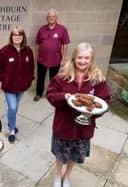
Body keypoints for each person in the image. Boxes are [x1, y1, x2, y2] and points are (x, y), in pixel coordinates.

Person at [46, 42, 110, 187]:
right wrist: (64, 96)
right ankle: (58, 175)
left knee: (75, 154)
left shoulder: (98, 78)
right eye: (80, 57)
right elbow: (50, 94)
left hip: (84, 128)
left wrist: (92, 114)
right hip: (64, 124)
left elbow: (105, 101)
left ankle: (67, 176)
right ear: (74, 58)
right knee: (60, 153)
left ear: (91, 59)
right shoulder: (62, 75)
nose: (82, 61)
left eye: (86, 58)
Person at [0, 25, 35, 143]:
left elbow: (31, 66)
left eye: (19, 35)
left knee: (15, 107)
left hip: (22, 86)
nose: (17, 37)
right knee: (12, 107)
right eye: (14, 35)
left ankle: (10, 121)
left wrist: (29, 78)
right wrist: (3, 79)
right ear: (11, 37)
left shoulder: (28, 51)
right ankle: (12, 129)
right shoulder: (4, 51)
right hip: (9, 86)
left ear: (23, 37)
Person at [34, 8, 70, 101]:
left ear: (56, 17)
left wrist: (64, 59)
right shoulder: (42, 29)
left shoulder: (62, 29)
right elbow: (37, 44)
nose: (51, 18)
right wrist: (36, 56)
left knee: (53, 79)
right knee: (40, 77)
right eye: (49, 16)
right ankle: (39, 93)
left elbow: (65, 44)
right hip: (42, 59)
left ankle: (51, 94)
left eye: (53, 16)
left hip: (55, 59)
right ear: (47, 18)